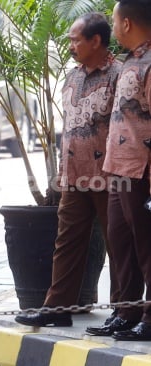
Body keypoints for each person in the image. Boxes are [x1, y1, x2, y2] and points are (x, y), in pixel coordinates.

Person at [13, 13, 121, 329]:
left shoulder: (118, 75)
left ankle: (123, 311)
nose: (71, 45)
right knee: (67, 243)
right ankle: (56, 309)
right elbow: (70, 128)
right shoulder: (72, 77)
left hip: (109, 176)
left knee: (119, 247)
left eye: (76, 39)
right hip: (74, 176)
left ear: (96, 41)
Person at [87, 0, 151, 341]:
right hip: (118, 170)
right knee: (121, 246)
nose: (112, 28)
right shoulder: (132, 60)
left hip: (141, 172)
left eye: (113, 21)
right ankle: (126, 312)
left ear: (127, 23)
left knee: (147, 248)